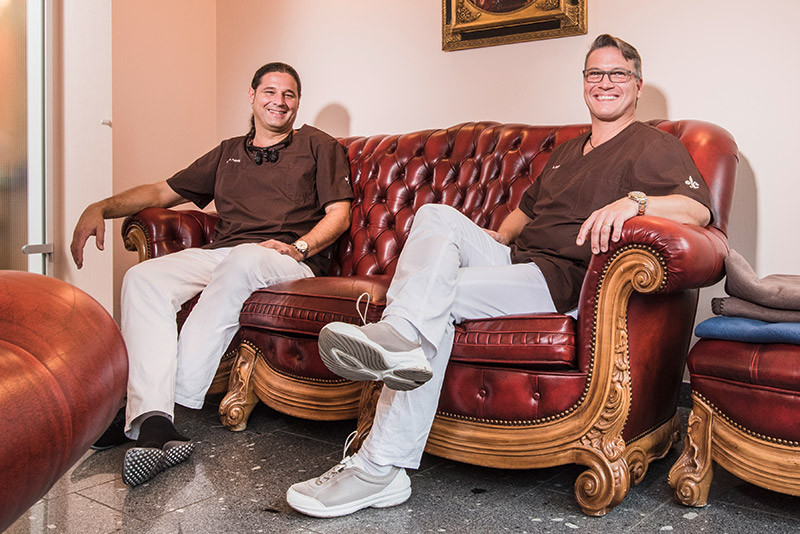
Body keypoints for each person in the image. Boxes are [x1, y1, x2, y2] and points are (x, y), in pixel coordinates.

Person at [285, 34, 713, 518]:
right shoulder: (568, 151)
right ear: (584, 83)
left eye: (618, 74)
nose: (605, 82)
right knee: (436, 217)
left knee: (432, 299)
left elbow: (697, 211)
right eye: (595, 73)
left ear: (637, 85)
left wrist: (634, 202)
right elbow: (524, 213)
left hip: (559, 279)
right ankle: (401, 336)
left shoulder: (655, 146)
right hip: (516, 260)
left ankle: (379, 468)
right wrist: (492, 239)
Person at [70, 62, 353, 487]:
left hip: (285, 259)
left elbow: (340, 215)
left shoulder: (318, 145)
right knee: (143, 279)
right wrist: (100, 207)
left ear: (298, 102)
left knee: (244, 259)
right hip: (225, 253)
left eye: (289, 94)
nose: (279, 101)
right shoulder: (228, 153)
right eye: (270, 91)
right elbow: (161, 191)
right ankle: (154, 420)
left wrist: (299, 247)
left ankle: (166, 409)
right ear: (252, 96)